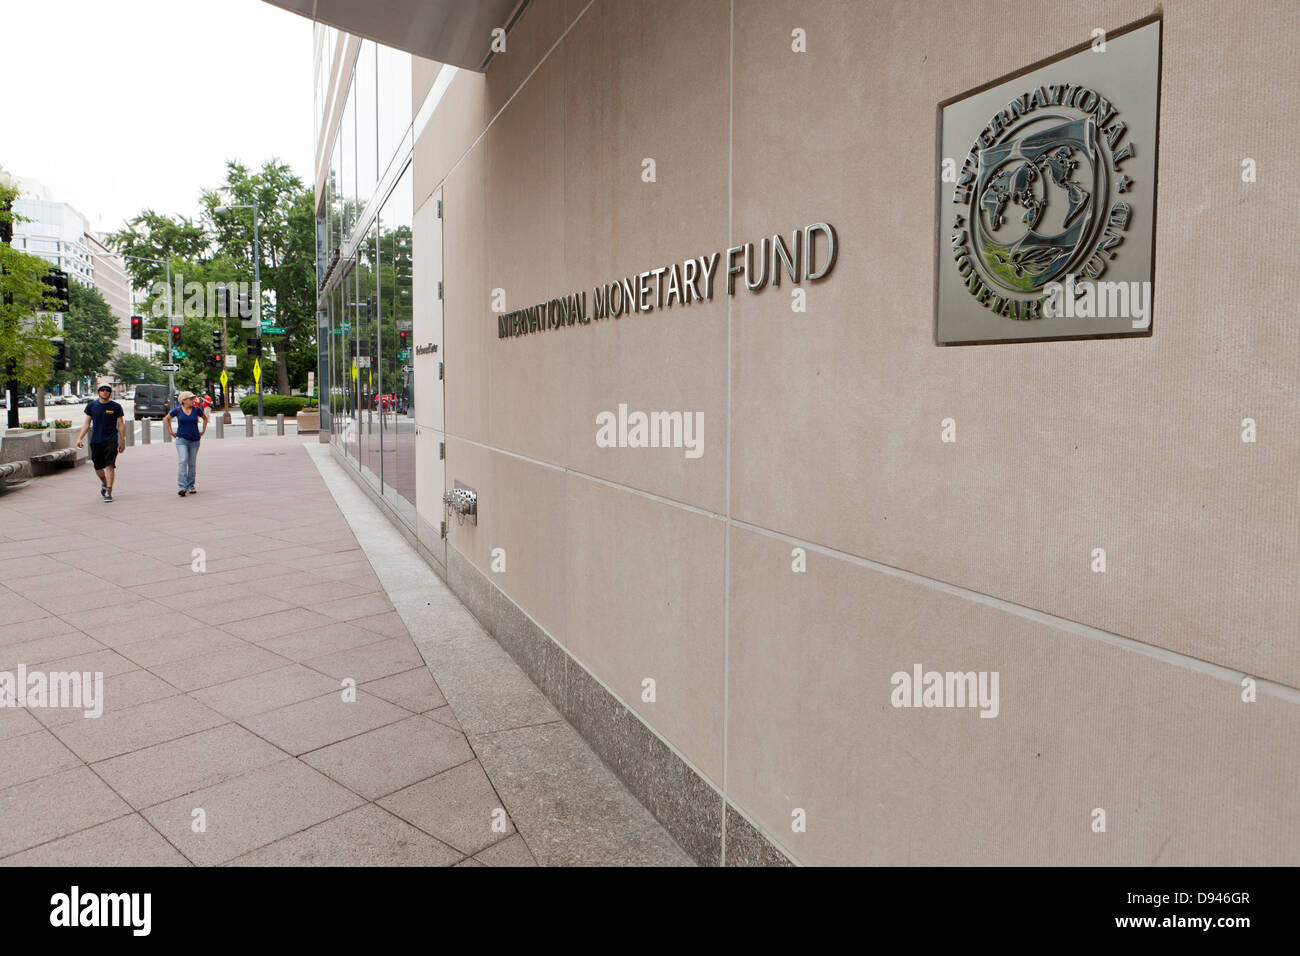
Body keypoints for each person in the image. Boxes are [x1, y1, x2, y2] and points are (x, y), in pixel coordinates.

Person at [74, 384, 126, 502]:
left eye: (107, 390)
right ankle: (104, 481)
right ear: (98, 392)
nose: (104, 392)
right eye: (102, 390)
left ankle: (109, 490)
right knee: (97, 466)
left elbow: (121, 424)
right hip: (96, 440)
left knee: (109, 465)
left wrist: (122, 441)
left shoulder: (116, 407)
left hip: (111, 440)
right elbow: (87, 423)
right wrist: (79, 438)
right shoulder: (92, 406)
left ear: (110, 393)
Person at [164, 390, 208, 497]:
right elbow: (166, 419)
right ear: (184, 401)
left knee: (192, 463)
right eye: (191, 399)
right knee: (183, 460)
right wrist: (170, 432)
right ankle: (182, 487)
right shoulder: (177, 410)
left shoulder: (196, 410)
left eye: (193, 398)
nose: (193, 400)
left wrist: (203, 430)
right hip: (181, 440)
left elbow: (205, 418)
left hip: (195, 440)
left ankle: (191, 485)